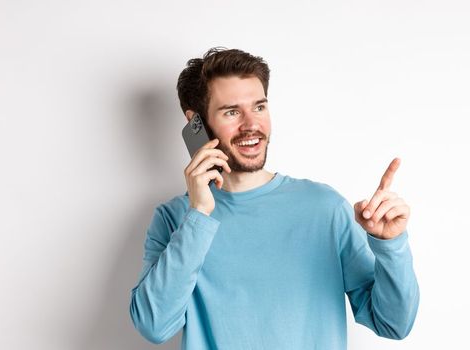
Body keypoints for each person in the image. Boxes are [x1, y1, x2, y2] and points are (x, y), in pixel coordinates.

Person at [129, 47, 419, 349]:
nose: (251, 124)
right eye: (231, 111)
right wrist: (199, 213)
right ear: (196, 124)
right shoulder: (176, 218)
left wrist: (390, 246)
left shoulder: (324, 208)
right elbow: (154, 325)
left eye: (259, 107)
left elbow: (393, 324)